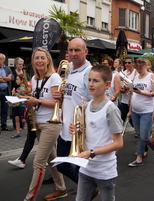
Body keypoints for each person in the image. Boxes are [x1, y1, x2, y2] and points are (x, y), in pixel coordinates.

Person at [69, 64, 123, 201]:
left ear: (107, 84)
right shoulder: (85, 107)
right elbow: (86, 134)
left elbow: (118, 143)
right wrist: (75, 131)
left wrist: (92, 153)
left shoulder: (110, 109)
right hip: (86, 169)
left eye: (96, 81)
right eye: (89, 80)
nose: (91, 84)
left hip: (104, 171)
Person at [23, 47, 67, 201]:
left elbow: (58, 104)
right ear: (33, 61)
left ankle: (29, 198)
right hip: (38, 121)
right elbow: (36, 100)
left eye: (43, 57)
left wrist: (38, 101)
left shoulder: (54, 78)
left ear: (48, 60)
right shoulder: (34, 79)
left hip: (51, 123)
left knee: (38, 162)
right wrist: (27, 101)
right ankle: (61, 188)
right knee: (50, 158)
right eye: (37, 58)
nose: (39, 61)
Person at [54, 38, 93, 187]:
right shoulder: (69, 69)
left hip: (79, 131)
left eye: (77, 50)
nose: (73, 53)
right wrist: (61, 95)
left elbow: (93, 103)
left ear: (85, 51)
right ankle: (88, 189)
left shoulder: (89, 72)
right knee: (62, 165)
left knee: (80, 169)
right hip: (65, 127)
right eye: (70, 50)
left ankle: (86, 191)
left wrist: (82, 124)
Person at [127, 58, 154, 166]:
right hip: (136, 110)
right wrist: (130, 110)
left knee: (144, 136)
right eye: (138, 68)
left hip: (147, 110)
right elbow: (133, 95)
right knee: (140, 135)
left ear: (146, 66)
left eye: (141, 68)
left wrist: (142, 92)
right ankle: (139, 158)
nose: (139, 70)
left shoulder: (152, 76)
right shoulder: (136, 77)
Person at [118, 56, 137, 124]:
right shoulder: (124, 73)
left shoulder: (136, 72)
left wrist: (128, 87)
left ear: (133, 63)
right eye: (125, 63)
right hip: (124, 100)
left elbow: (136, 84)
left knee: (132, 121)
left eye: (129, 62)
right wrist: (121, 89)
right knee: (120, 118)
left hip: (133, 100)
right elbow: (120, 85)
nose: (127, 64)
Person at [10, 74, 27, 139]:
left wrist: (24, 94)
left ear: (22, 80)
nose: (16, 81)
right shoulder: (18, 88)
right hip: (17, 104)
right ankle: (18, 132)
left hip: (23, 106)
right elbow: (16, 97)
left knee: (24, 120)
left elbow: (28, 96)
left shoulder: (26, 88)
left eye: (17, 79)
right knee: (16, 118)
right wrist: (13, 94)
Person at [0, 53, 13, 131]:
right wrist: (6, 78)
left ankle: (4, 125)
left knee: (5, 109)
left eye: (0, 58)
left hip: (5, 91)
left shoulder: (7, 68)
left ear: (4, 59)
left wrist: (1, 77)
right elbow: (8, 78)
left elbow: (11, 78)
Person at [12, 57, 25, 130]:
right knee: (15, 109)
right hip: (15, 91)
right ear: (16, 65)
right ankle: (16, 126)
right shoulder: (13, 72)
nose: (21, 66)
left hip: (22, 91)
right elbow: (12, 82)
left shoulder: (24, 72)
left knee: (22, 108)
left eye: (22, 65)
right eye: (20, 64)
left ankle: (22, 124)